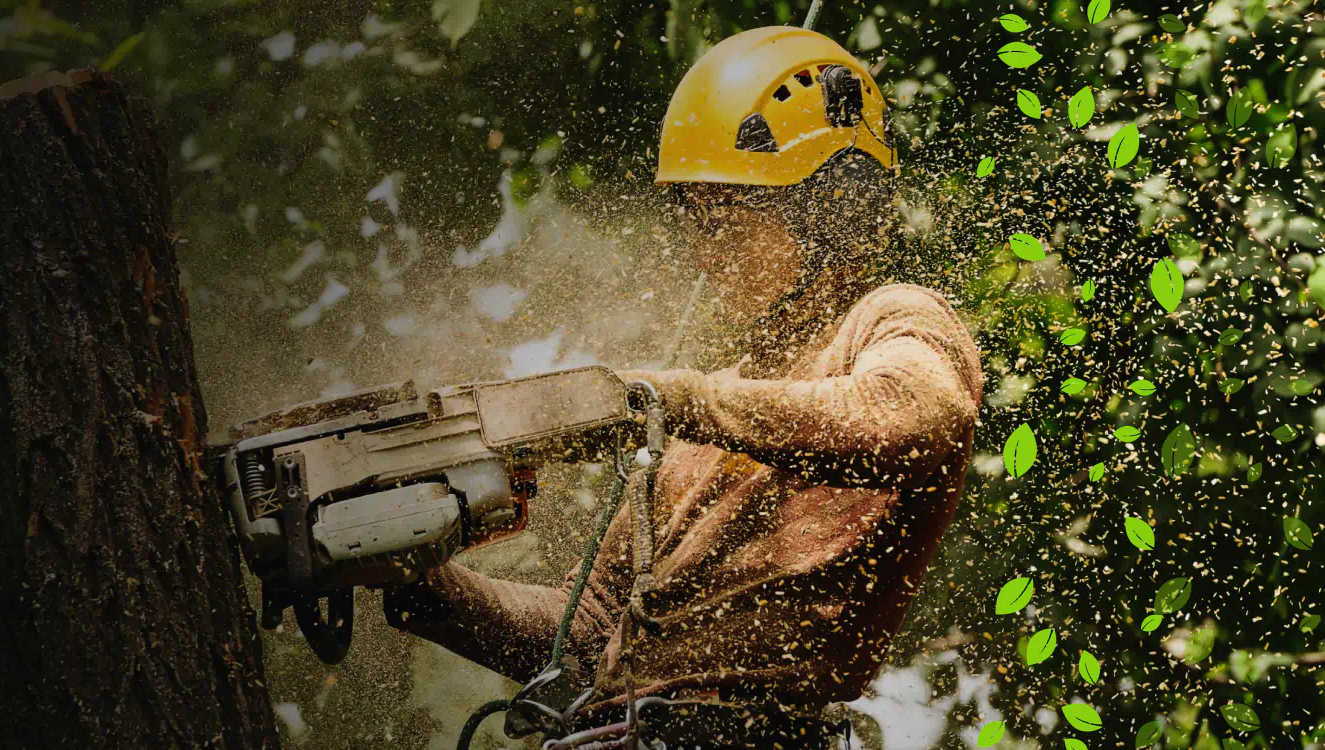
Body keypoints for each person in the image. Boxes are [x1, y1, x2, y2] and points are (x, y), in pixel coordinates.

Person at [383, 25, 984, 748]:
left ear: (832, 211)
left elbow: (915, 418)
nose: (703, 256)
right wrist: (417, 579)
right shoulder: (698, 417)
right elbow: (588, 638)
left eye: (725, 222)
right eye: (692, 223)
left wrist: (677, 400)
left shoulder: (887, 321)